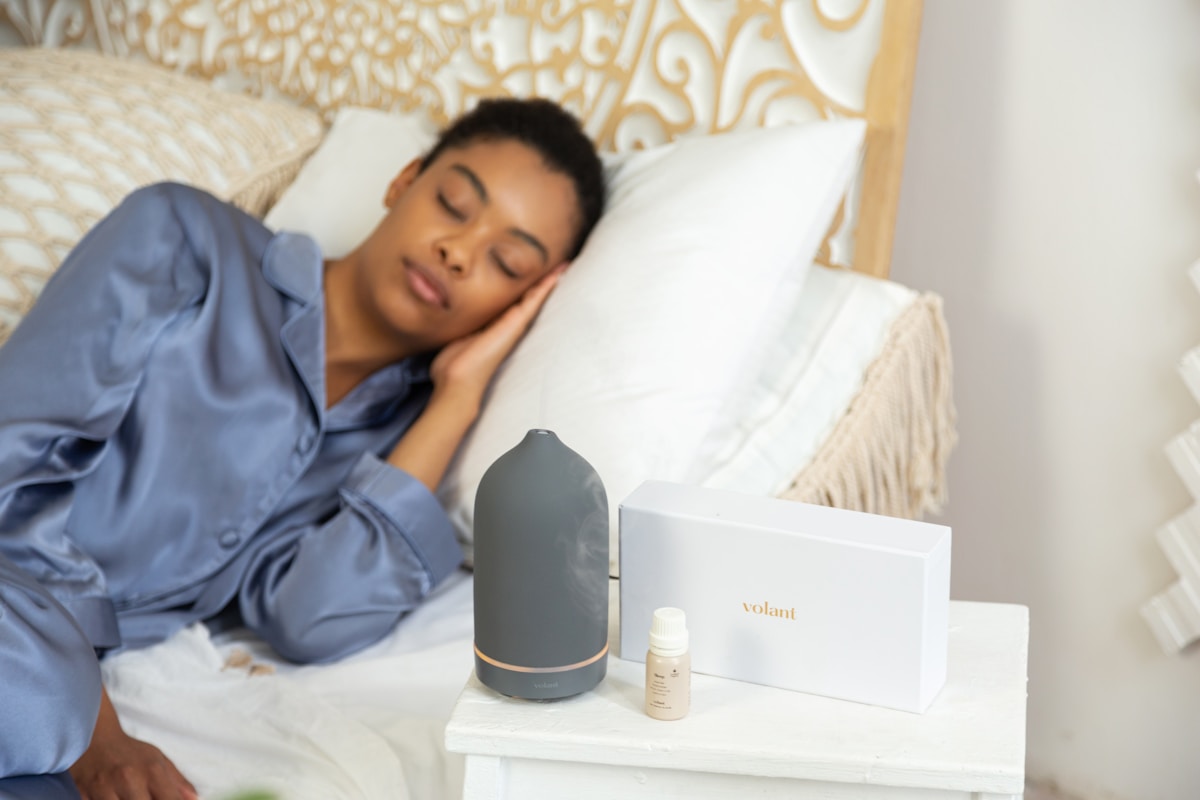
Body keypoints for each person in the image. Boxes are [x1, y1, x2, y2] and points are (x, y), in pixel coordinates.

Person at [0, 97, 606, 798]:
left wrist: (457, 401)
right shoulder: (182, 240)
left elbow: (307, 620)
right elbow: (11, 468)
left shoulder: (390, 446)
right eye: (451, 202)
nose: (459, 252)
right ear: (403, 180)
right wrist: (93, 731)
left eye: (506, 262)